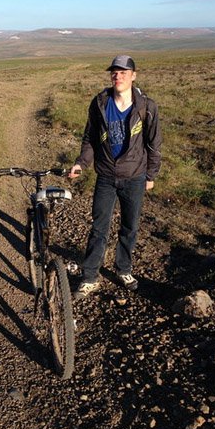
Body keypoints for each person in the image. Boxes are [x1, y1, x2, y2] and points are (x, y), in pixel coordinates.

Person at [69, 55, 161, 299]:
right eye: (114, 72)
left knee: (130, 227)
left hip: (135, 176)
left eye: (123, 72)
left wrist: (151, 174)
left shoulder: (146, 106)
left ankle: (124, 269)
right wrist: (81, 163)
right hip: (106, 176)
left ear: (133, 75)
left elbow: (154, 143)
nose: (117, 76)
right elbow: (89, 138)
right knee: (99, 227)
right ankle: (89, 277)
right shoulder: (100, 103)